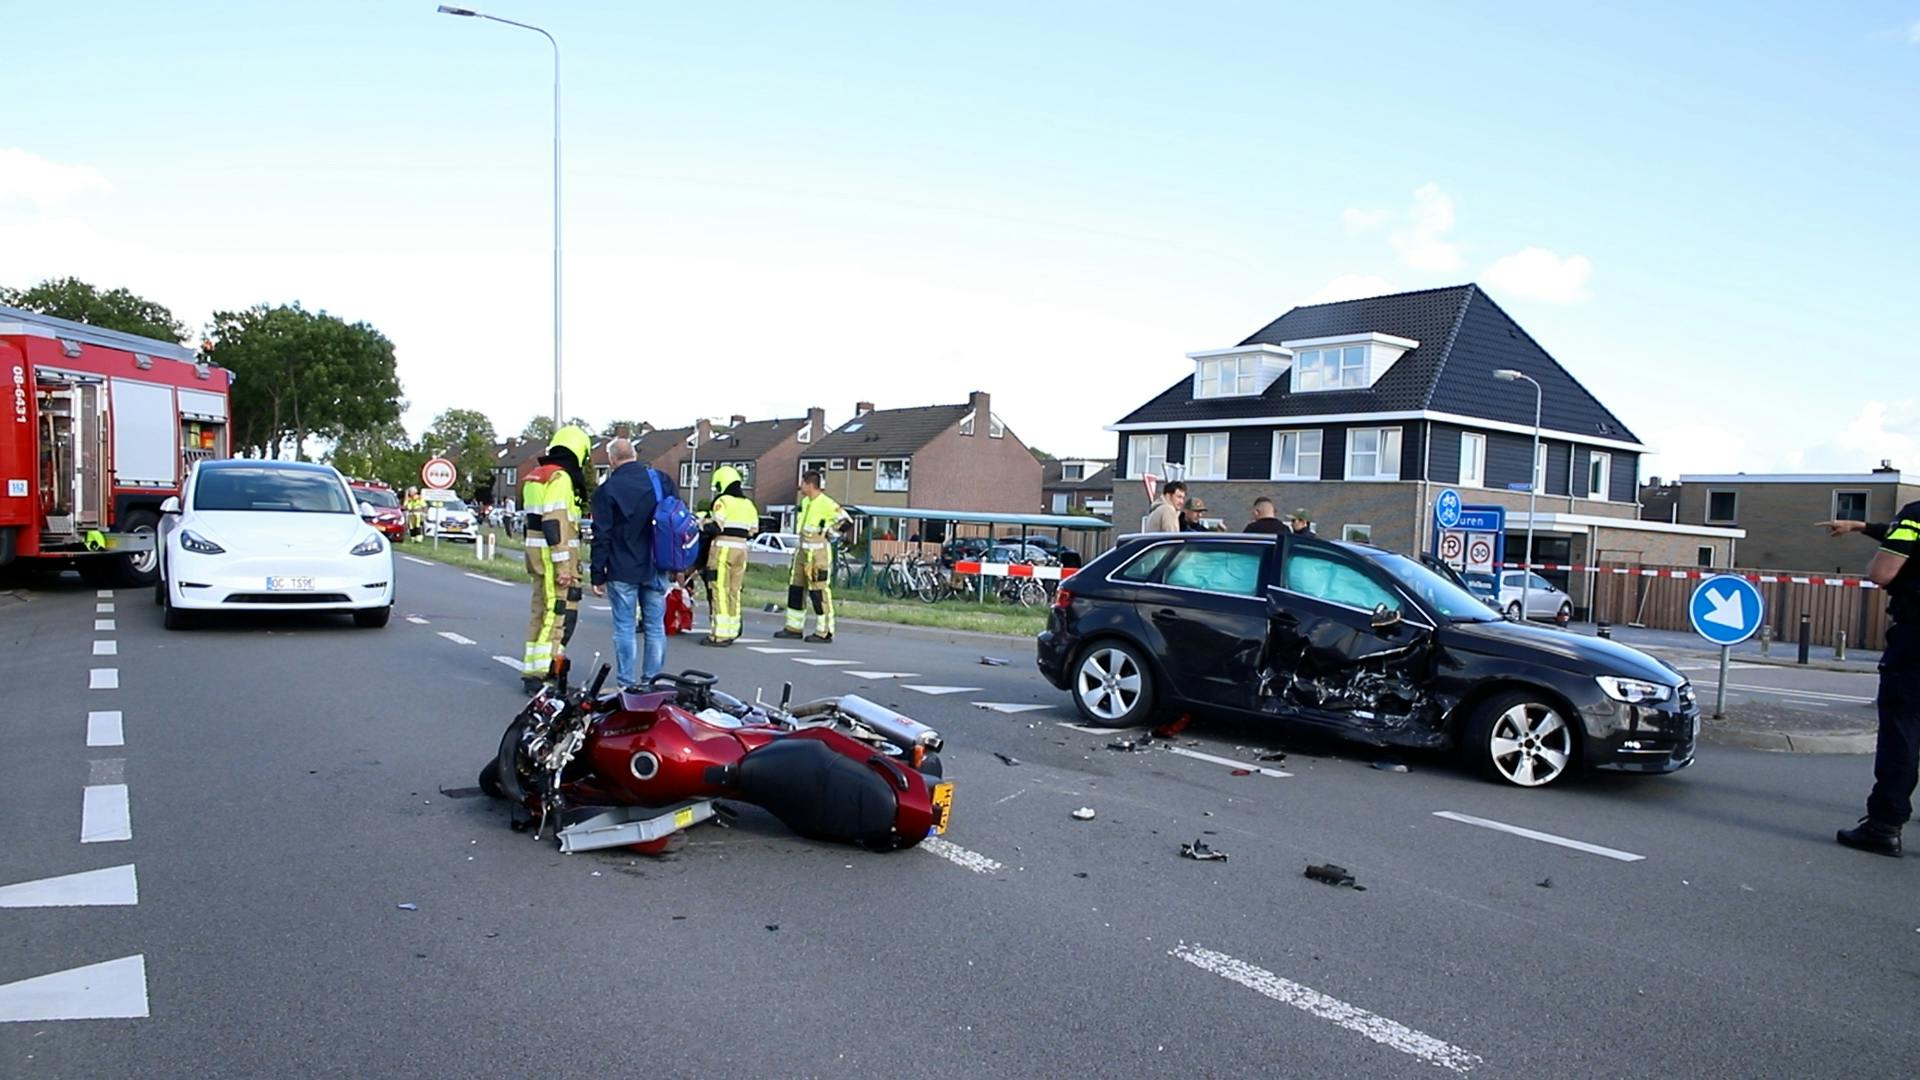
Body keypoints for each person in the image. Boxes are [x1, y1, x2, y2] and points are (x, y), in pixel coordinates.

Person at [1820, 503, 1920, 857]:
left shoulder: (1916, 516)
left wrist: (1873, 564)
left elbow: (1883, 572)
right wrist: (1861, 526)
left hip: (1916, 643)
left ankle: (1884, 825)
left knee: (1902, 731)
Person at [589, 437, 680, 688]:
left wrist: (597, 574)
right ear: (635, 455)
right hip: (656, 564)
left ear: (611, 459)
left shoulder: (607, 490)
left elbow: (601, 535)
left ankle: (626, 683)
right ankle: (651, 682)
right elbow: (675, 521)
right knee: (655, 627)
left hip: (622, 568)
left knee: (624, 628)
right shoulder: (661, 481)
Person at [520, 425, 593, 694]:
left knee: (540, 611)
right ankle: (542, 674)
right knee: (556, 612)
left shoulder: (535, 476)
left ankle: (533, 667)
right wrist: (564, 566)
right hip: (555, 557)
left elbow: (536, 522)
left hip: (536, 553)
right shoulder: (560, 478)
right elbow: (555, 523)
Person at [775, 470, 846, 643]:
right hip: (802, 551)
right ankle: (794, 627)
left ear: (810, 484)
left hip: (818, 553)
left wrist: (829, 532)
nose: (800, 486)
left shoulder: (826, 503)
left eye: (802, 483)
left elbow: (845, 521)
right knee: (796, 589)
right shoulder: (806, 501)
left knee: (818, 591)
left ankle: (825, 631)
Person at [701, 464, 759, 647]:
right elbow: (753, 530)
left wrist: (702, 523)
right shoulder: (748, 504)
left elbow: (716, 526)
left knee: (719, 589)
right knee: (735, 590)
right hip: (742, 549)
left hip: (723, 548)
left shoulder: (723, 501)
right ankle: (733, 630)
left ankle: (719, 634)